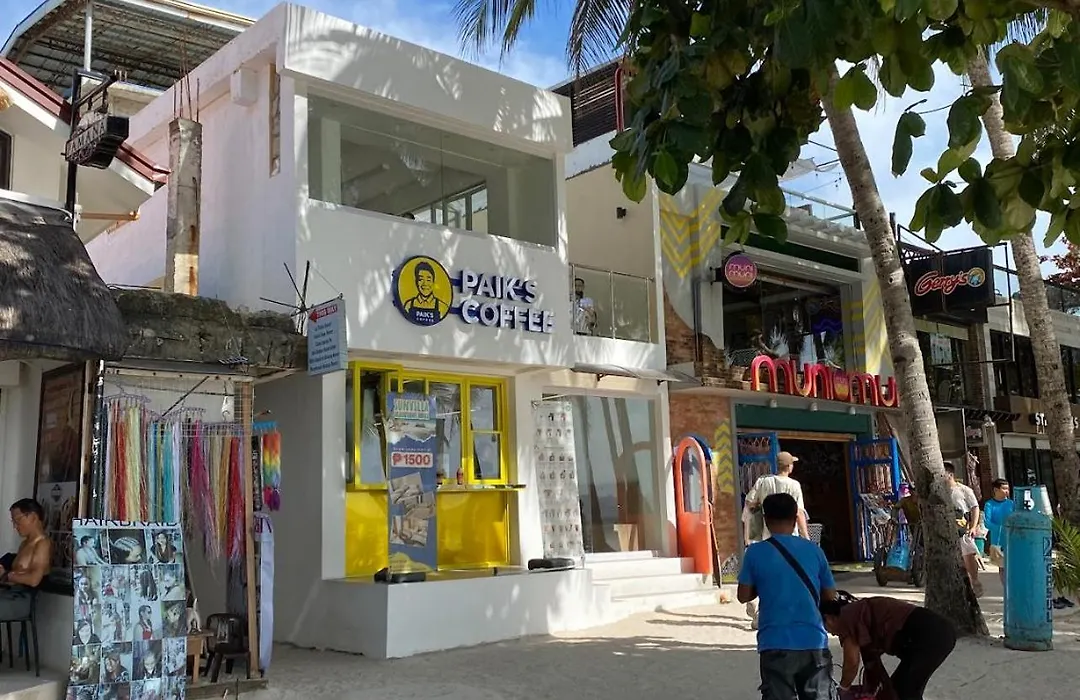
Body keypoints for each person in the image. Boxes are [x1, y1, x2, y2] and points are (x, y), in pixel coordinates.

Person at [738, 493, 837, 700]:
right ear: (794, 520)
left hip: (774, 641)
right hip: (813, 639)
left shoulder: (755, 553)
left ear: (765, 520)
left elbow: (743, 595)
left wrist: (764, 584)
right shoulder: (814, 551)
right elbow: (830, 595)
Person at [821, 594, 956, 700]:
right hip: (937, 631)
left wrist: (843, 689)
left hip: (930, 634)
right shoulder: (857, 610)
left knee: (904, 690)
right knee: (902, 687)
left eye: (826, 628)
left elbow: (852, 662)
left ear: (829, 618)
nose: (830, 633)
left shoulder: (846, 619)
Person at [743, 451, 811, 629]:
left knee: (766, 576)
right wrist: (806, 537)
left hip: (767, 537)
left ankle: (760, 610)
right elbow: (799, 513)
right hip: (790, 540)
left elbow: (750, 503)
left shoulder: (763, 482)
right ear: (789, 466)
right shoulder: (794, 485)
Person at [0, 499, 52, 619]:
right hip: (11, 593)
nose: (15, 526)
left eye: (17, 521)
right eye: (13, 522)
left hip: (24, 599)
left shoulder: (43, 544)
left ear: (33, 517)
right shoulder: (24, 544)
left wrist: (7, 575)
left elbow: (34, 580)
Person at [944, 463, 982, 596]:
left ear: (950, 474)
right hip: (945, 526)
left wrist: (973, 526)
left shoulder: (964, 490)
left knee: (968, 556)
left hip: (962, 526)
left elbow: (975, 507)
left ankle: (975, 580)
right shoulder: (939, 491)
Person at [982, 479, 1013, 585]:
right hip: (998, 541)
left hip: (1012, 539)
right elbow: (987, 523)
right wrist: (1000, 528)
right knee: (1002, 567)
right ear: (996, 490)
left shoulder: (1011, 504)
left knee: (1013, 566)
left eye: (1007, 488)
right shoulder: (989, 505)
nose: (1007, 491)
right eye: (1004, 488)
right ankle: (1006, 589)